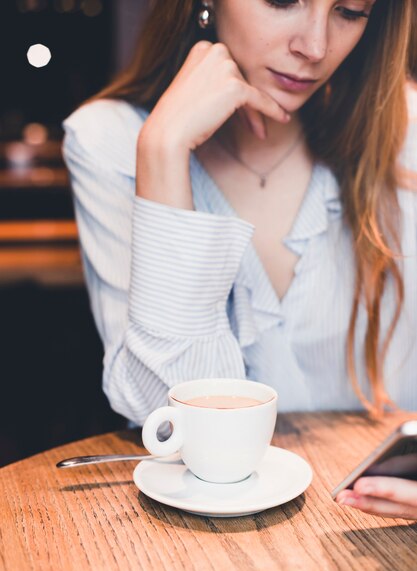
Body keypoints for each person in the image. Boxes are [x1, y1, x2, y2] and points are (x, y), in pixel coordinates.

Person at [63, 0, 417, 518]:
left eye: (350, 11)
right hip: (197, 537)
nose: (314, 47)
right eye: (282, 1)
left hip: (376, 530)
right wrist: (164, 153)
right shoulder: (111, 139)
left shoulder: (405, 132)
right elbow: (172, 423)